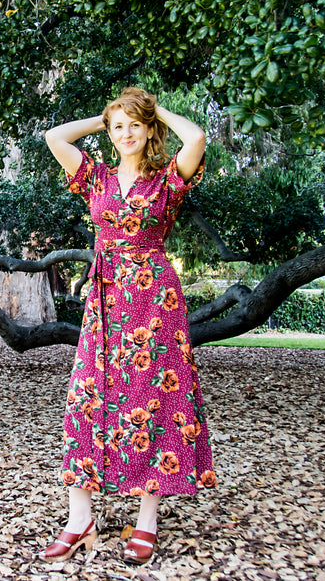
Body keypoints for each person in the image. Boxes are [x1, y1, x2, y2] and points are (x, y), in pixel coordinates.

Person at [40, 87, 217, 566]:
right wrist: (107, 119)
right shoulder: (95, 178)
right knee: (85, 399)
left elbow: (197, 135)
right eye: (119, 127)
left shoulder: (167, 180)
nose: (126, 133)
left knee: (152, 399)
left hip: (154, 299)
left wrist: (151, 111)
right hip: (104, 299)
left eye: (134, 125)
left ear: (150, 127)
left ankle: (147, 520)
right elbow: (55, 136)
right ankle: (81, 520)